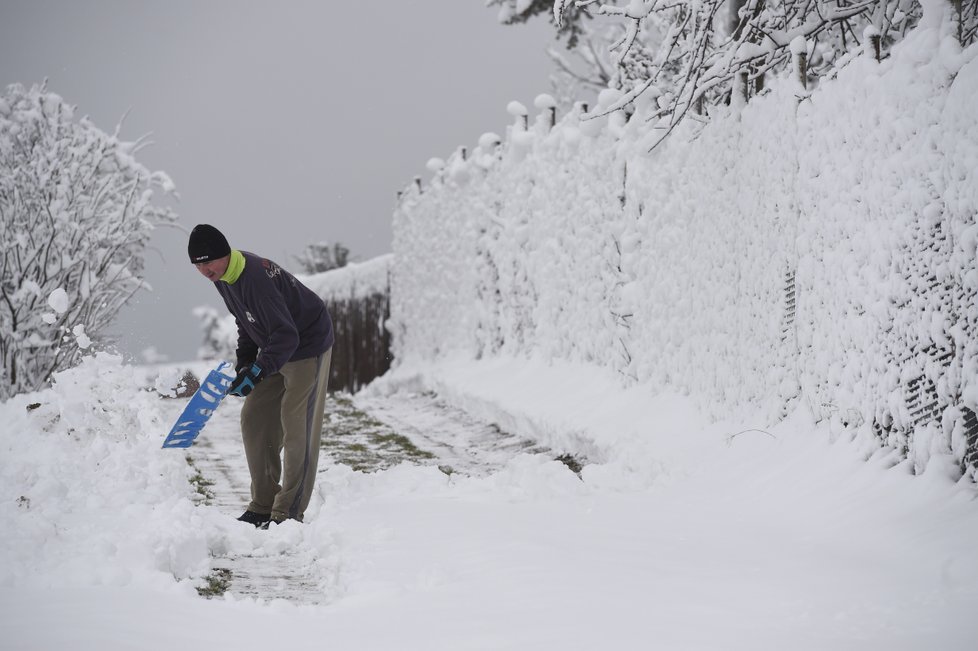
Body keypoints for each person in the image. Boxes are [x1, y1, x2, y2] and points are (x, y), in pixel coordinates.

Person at [188, 224, 334, 527]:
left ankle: (288, 512)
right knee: (254, 416)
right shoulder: (224, 277)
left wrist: (257, 370)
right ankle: (263, 504)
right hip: (276, 347)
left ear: (225, 254)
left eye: (208, 261)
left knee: (296, 425)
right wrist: (244, 363)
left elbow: (286, 334)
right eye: (198, 264)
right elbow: (247, 322)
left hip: (307, 345)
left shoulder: (253, 278)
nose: (204, 270)